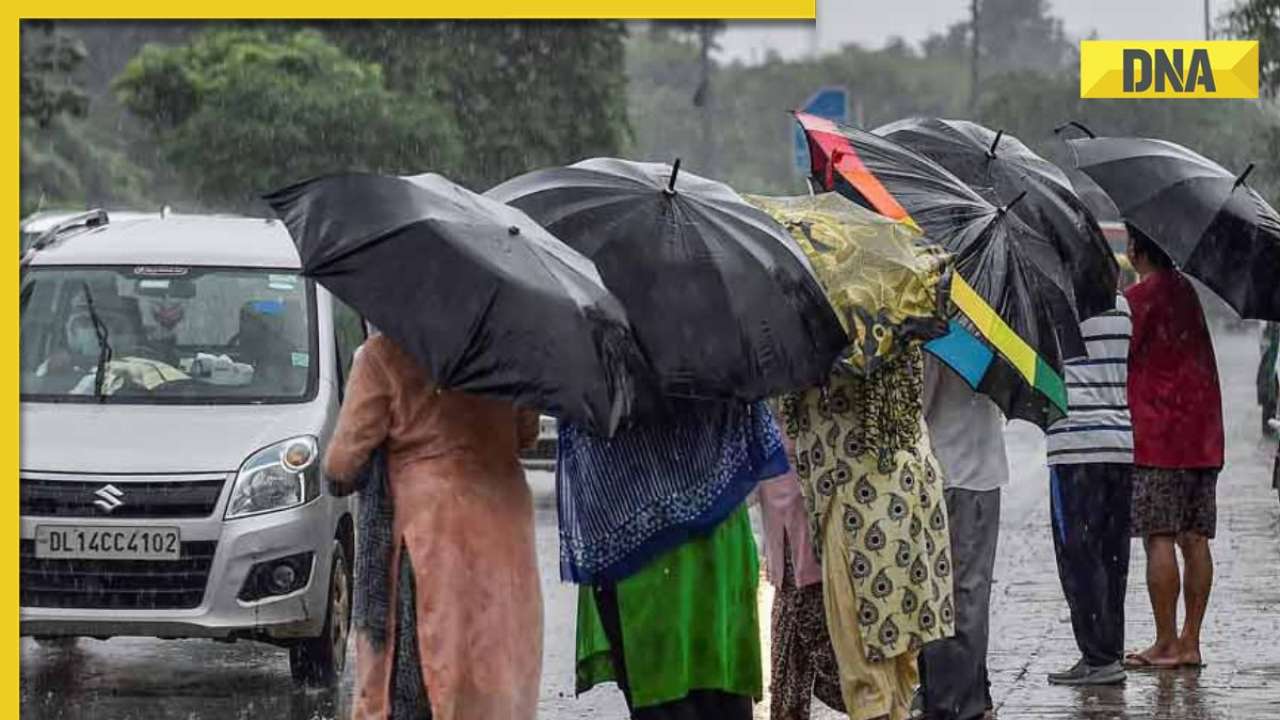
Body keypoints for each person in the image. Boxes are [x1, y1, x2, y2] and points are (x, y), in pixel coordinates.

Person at [323, 332, 543, 720]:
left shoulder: (384, 354)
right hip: (503, 527)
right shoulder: (509, 352)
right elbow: (526, 434)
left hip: (430, 531)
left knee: (426, 672)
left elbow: (342, 465)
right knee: (494, 670)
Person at [567, 399, 787, 719]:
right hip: (716, 525)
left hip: (636, 535)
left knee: (664, 699)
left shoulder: (599, 354)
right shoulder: (722, 351)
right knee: (720, 697)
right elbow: (759, 442)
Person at [778, 347, 955, 720]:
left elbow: (791, 410)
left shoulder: (815, 340)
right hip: (909, 489)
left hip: (856, 504)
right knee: (900, 659)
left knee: (865, 662)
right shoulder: (894, 315)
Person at [1122, 225, 1224, 670]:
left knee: (1158, 536)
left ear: (1136, 249)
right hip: (1203, 436)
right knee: (1195, 538)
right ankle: (1190, 641)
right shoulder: (1187, 293)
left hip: (1159, 437)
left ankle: (1165, 641)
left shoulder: (1138, 301)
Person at [1044, 294, 1135, 686]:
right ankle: (1109, 651)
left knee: (1078, 556)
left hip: (1075, 446)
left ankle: (1097, 657)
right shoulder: (1123, 308)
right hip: (1119, 444)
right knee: (1113, 555)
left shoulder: (1057, 306)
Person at [916, 355, 1008, 720]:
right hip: (982, 471)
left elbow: (918, 405)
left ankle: (951, 701)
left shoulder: (942, 339)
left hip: (949, 470)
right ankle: (969, 691)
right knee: (971, 590)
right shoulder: (999, 336)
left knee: (944, 592)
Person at [756, 429, 845, 720]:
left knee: (831, 662)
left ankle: (884, 706)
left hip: (807, 526)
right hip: (786, 535)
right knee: (787, 666)